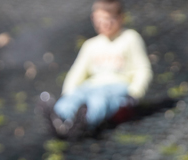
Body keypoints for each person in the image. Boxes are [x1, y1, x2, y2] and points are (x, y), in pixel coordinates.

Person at [41, 0, 152, 138]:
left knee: (99, 100)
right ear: (93, 18)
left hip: (117, 87)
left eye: (109, 19)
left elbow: (143, 69)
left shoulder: (130, 38)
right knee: (74, 97)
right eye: (100, 20)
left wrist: (135, 93)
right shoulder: (90, 45)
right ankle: (59, 118)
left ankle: (85, 122)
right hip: (90, 86)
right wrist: (68, 92)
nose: (105, 24)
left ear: (121, 17)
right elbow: (77, 72)